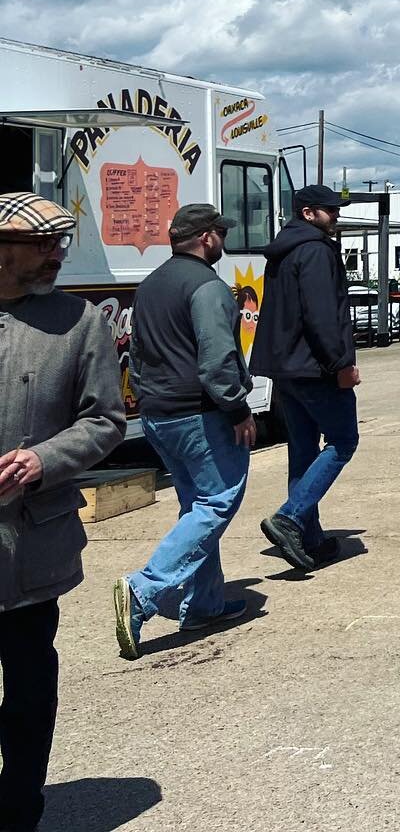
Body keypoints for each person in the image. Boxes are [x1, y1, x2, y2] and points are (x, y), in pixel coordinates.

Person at [0, 193, 125, 832]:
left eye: (61, 243)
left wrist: (41, 460)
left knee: (26, 697)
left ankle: (20, 811)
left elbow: (105, 419)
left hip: (30, 549)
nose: (55, 255)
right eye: (41, 244)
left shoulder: (78, 323)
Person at [114, 203, 257, 659]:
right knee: (216, 503)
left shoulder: (150, 285)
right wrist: (237, 409)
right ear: (208, 238)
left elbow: (134, 354)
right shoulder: (209, 288)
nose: (223, 240)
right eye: (221, 232)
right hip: (201, 414)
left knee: (196, 506)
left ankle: (204, 605)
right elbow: (217, 361)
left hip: (157, 414)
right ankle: (144, 588)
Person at [250, 183, 360, 572]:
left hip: (285, 369)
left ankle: (308, 540)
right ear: (308, 213)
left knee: (303, 451)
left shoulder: (283, 250)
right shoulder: (314, 250)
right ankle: (290, 518)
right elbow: (321, 315)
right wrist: (342, 363)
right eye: (330, 210)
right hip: (315, 368)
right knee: (344, 440)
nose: (337, 216)